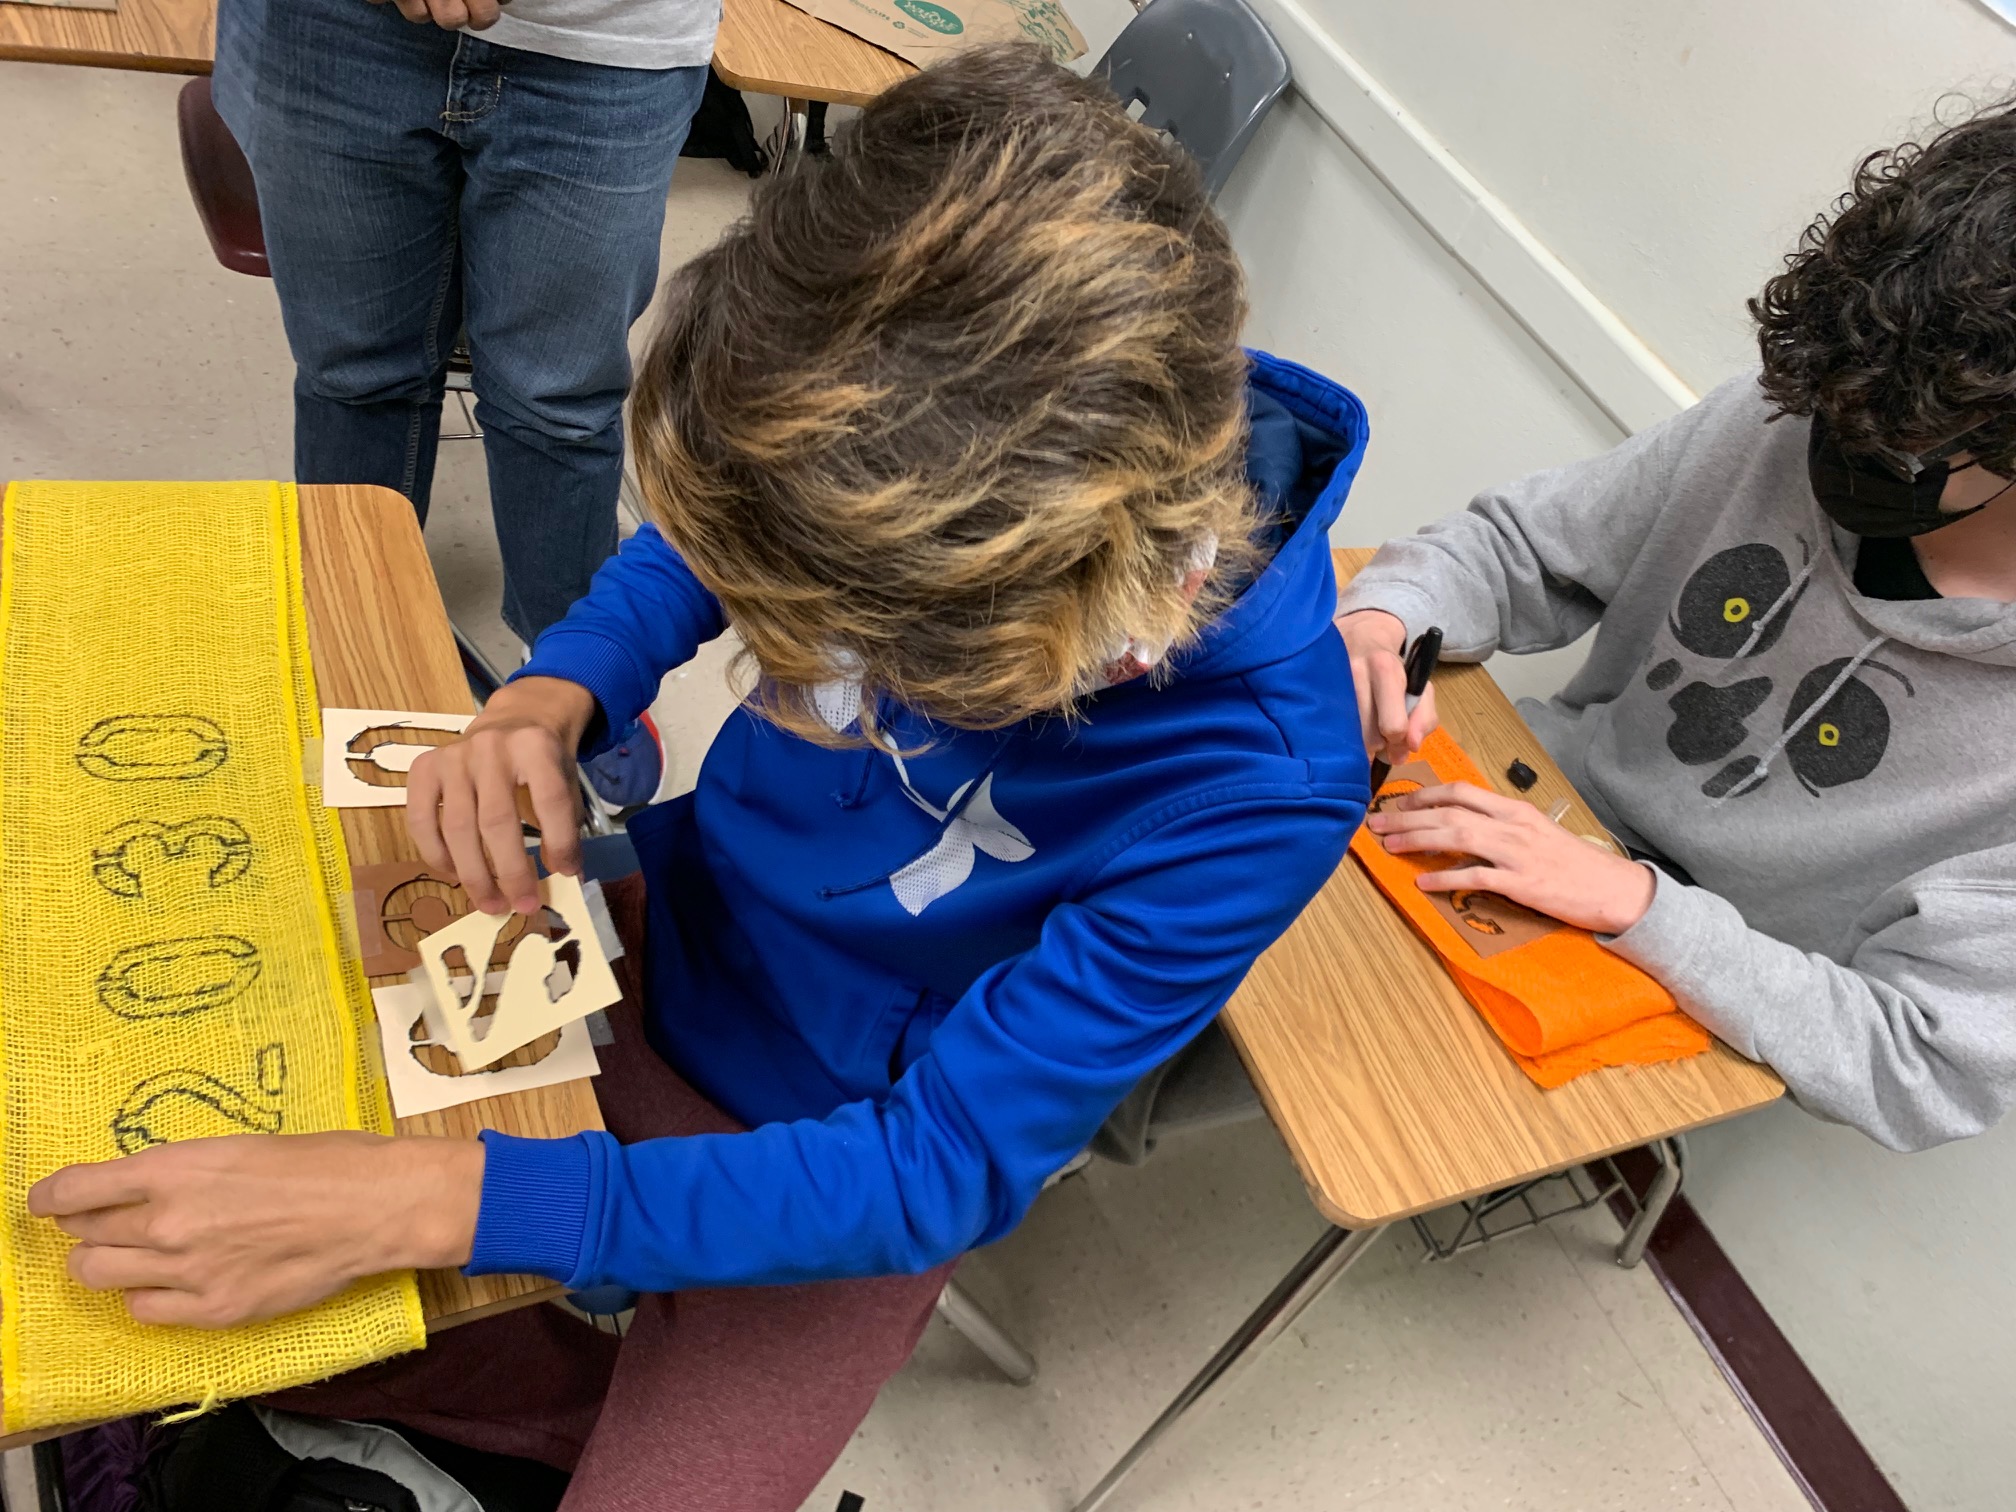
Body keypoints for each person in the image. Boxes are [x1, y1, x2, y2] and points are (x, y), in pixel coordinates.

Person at [32, 48, 1374, 1508]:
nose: (783, 644)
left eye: (829, 634)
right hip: (662, 926)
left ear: (1007, 636)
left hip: (845, 1156)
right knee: (173, 1233)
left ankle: (571, 1347)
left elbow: (935, 1167)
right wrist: (558, 690)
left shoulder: (1266, 788)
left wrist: (445, 1200)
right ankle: (561, 1359)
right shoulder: (969, 436)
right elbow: (736, 517)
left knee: (372, 1276)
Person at [1338, 98, 2016, 1153]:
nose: (1834, 448)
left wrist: (1634, 906)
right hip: (1526, 805)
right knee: (1193, 886)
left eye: (1904, 441)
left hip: (1689, 994)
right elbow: (1515, 548)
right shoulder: (1820, 400)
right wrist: (1386, 619)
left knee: (1321, 1063)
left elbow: (1918, 1058)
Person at [211, 0, 717, 807]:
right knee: (355, 378)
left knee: (560, 407)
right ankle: (351, 656)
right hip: (329, 28)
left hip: (606, 42)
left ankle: (573, 680)